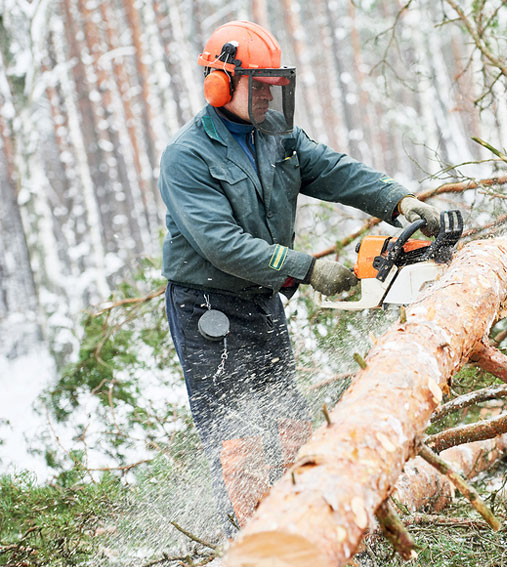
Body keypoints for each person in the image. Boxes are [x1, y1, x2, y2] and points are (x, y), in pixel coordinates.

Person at [158, 20, 440, 535]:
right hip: (207, 307)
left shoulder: (275, 136)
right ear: (221, 84)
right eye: (258, 86)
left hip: (261, 295)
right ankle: (252, 542)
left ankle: (307, 528)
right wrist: (306, 269)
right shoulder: (187, 157)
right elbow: (220, 244)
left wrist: (397, 199)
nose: (270, 95)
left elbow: (332, 170)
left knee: (288, 421)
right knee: (236, 437)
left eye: (275, 85)